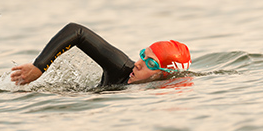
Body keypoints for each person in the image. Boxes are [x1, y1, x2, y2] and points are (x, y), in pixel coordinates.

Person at [10, 23, 191, 86]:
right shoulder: (121, 68)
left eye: (150, 63)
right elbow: (77, 31)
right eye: (143, 54)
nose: (138, 63)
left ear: (164, 75)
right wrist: (39, 67)